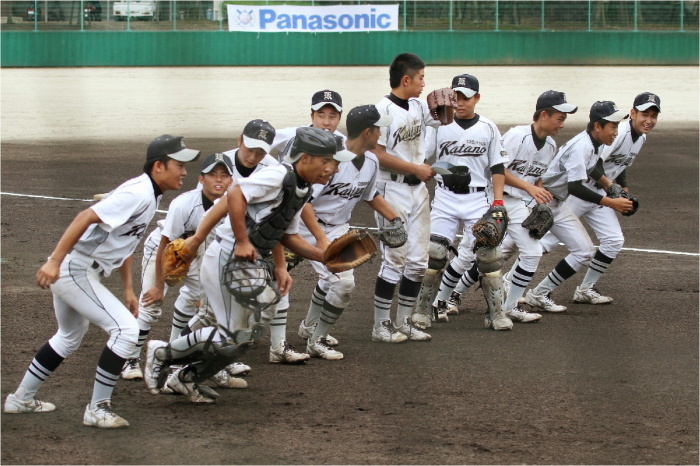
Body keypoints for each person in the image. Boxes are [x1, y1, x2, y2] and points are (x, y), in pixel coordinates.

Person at [143, 126, 354, 403]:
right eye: (327, 161)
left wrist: (321, 259)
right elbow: (234, 195)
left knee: (250, 333)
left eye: (334, 163)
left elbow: (284, 232)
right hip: (227, 256)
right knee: (233, 334)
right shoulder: (278, 176)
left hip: (249, 263)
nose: (333, 169)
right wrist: (239, 240)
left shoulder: (301, 189)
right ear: (305, 158)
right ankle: (162, 353)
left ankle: (187, 378)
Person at [4, 135, 200, 428]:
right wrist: (54, 261)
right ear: (158, 166)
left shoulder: (150, 193)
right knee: (125, 330)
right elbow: (85, 216)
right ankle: (97, 408)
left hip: (81, 270)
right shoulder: (138, 193)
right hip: (74, 270)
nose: (184, 171)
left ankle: (21, 398)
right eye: (178, 164)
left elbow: (124, 244)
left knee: (69, 337)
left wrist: (128, 290)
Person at [441, 90, 578, 323]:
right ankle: (440, 301)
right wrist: (529, 188)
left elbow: (537, 176)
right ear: (544, 115)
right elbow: (497, 169)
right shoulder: (518, 136)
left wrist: (536, 198)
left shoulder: (551, 145)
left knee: (532, 251)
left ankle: (509, 307)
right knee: (467, 255)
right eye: (560, 117)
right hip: (490, 197)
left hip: (516, 203)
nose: (562, 123)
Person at [119, 152, 248, 389]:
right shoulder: (184, 204)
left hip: (199, 253)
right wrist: (159, 285)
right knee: (151, 305)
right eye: (212, 175)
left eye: (224, 175)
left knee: (207, 303)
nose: (218, 180)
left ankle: (183, 357)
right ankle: (129, 358)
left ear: (231, 180)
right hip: (165, 250)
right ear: (201, 179)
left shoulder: (234, 203)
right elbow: (164, 242)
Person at [297, 104, 406, 360]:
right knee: (344, 284)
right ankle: (317, 341)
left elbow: (370, 195)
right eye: (378, 129)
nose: (381, 134)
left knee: (334, 282)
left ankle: (311, 329)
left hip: (339, 227)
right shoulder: (331, 159)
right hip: (306, 225)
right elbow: (304, 202)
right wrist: (321, 239)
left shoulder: (371, 161)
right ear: (367, 132)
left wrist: (395, 218)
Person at [537, 92, 660, 304]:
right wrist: (610, 189)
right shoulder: (618, 132)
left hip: (599, 195)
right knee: (545, 242)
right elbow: (594, 163)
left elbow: (620, 165)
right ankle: (512, 285)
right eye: (644, 114)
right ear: (632, 113)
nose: (648, 120)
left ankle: (583, 289)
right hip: (579, 192)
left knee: (613, 241)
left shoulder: (641, 138)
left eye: (653, 116)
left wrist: (623, 190)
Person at [414, 73, 512, 331]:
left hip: (478, 197)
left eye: (466, 97)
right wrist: (439, 168)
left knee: (488, 256)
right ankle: (423, 310)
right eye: (455, 96)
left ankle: (496, 314)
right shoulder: (439, 126)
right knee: (434, 254)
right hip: (445, 197)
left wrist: (498, 202)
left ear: (477, 98)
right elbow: (423, 159)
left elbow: (498, 166)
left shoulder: (488, 127)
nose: (460, 102)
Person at [520, 101, 634, 312]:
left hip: (559, 203)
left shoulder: (596, 143)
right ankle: (488, 287)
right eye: (613, 127)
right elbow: (575, 187)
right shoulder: (582, 145)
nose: (616, 132)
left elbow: (595, 165)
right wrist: (611, 202)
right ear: (598, 126)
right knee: (531, 247)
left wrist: (610, 186)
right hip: (544, 202)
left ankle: (539, 293)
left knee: (583, 251)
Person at [370, 52, 443, 343]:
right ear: (406, 79)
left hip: (418, 190)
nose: (424, 83)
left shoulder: (416, 105)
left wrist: (448, 106)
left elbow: (442, 121)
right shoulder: (382, 111)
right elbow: (377, 154)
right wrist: (415, 167)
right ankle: (380, 326)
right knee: (395, 258)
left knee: (417, 261)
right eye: (421, 77)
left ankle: (404, 321)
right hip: (392, 189)